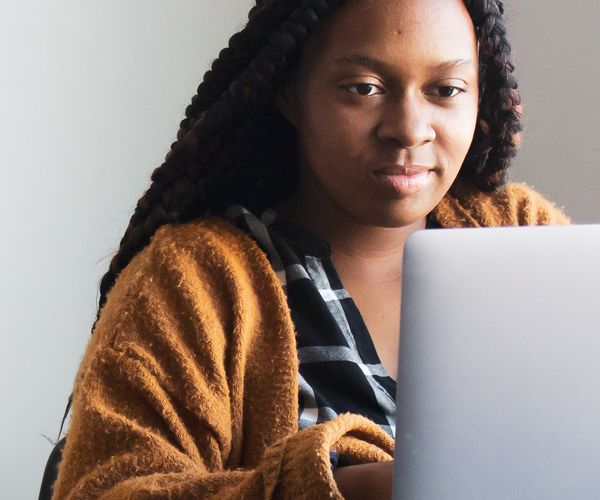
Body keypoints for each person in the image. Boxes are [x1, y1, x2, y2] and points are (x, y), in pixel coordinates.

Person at [51, 0, 569, 498]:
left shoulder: (522, 234)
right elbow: (104, 490)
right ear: (289, 92)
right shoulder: (192, 281)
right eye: (364, 88)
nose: (409, 129)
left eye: (446, 89)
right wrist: (350, 491)